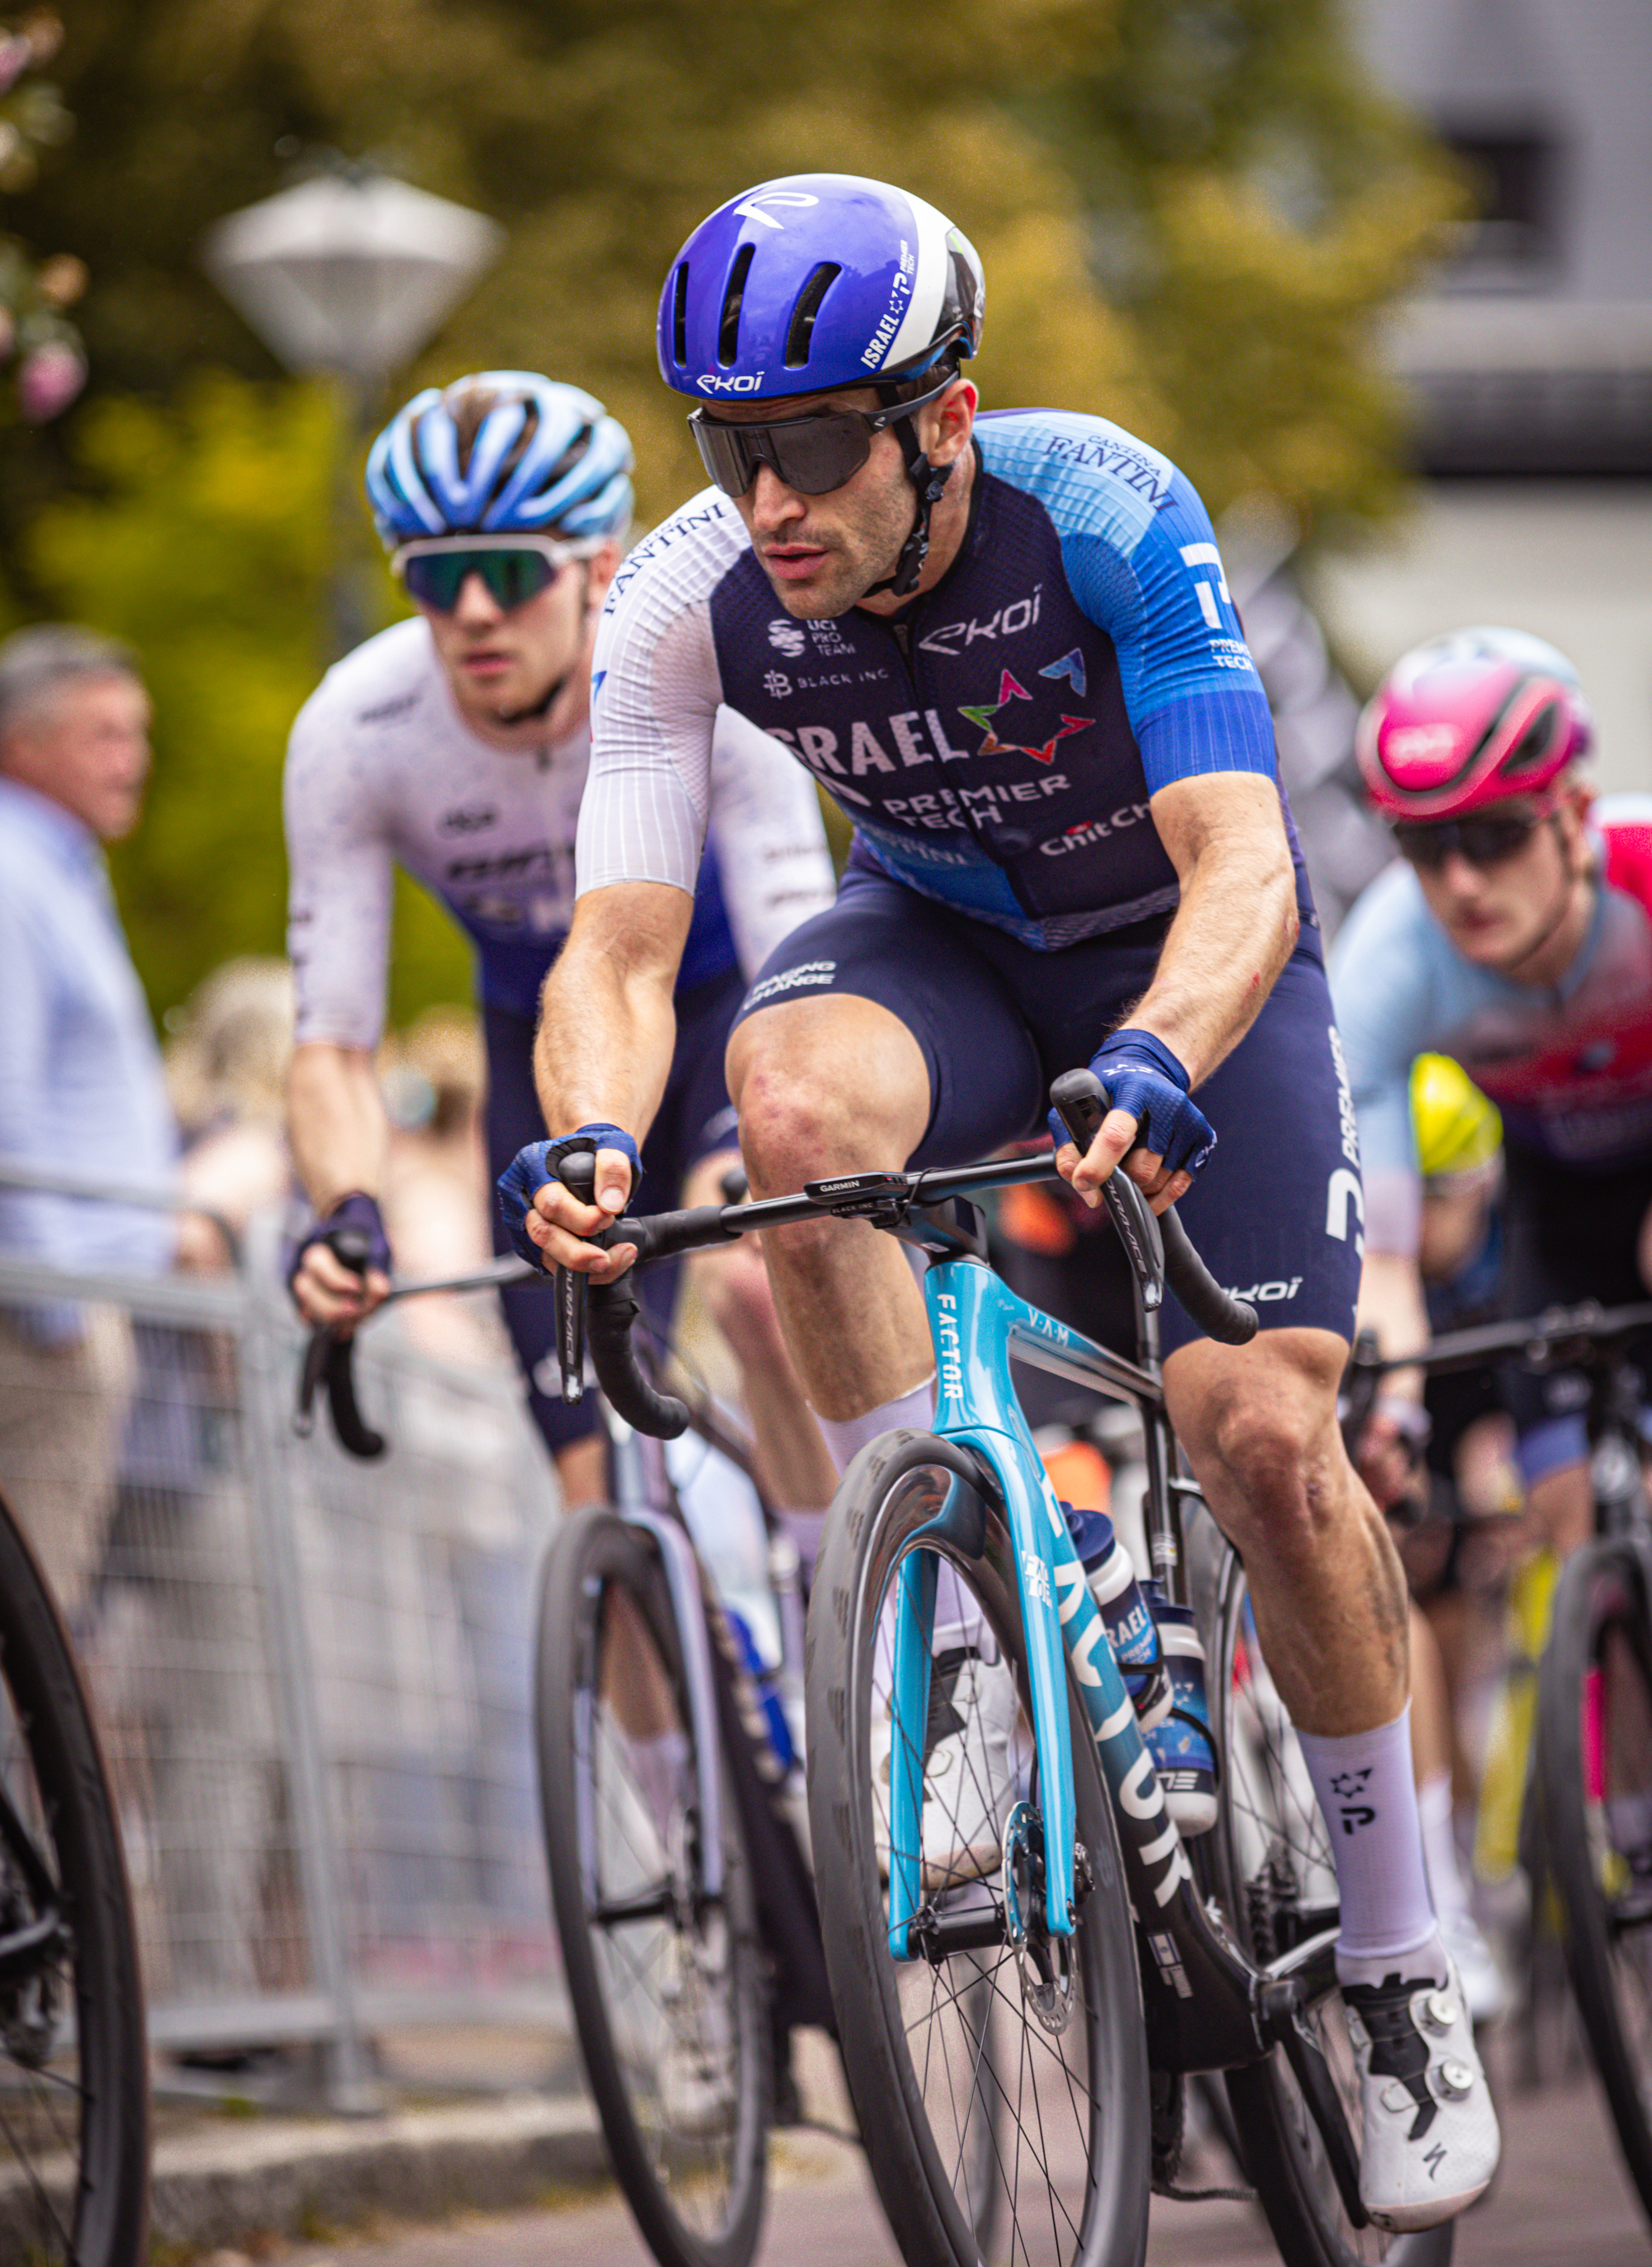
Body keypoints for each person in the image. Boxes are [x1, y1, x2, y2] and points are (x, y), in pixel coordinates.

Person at [501, 173, 1500, 2229]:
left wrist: (1159, 1045)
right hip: (942, 943)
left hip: (1183, 952)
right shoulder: (691, 592)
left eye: (803, 443)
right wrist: (594, 1136)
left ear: (934, 421)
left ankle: (1398, 1960)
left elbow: (1240, 856)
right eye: (723, 442)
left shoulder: (1105, 508)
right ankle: (954, 1649)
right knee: (777, 1099)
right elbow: (612, 951)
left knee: (1259, 1442)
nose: (762, 495)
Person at [283, 373, 838, 1526]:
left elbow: (801, 931)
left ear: (597, 567)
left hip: (729, 1004)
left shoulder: (703, 673)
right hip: (543, 1042)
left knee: (754, 1282)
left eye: (515, 570)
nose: (476, 610)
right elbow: (332, 1039)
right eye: (436, 578)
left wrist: (777, 1149)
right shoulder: (357, 728)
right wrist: (345, 1211)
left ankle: (836, 1584)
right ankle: (649, 1689)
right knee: (587, 1477)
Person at [1332, 629, 1652, 1569]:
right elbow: (1384, 1257)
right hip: (1552, 1207)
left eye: (1497, 834)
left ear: (1574, 814)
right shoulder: (1385, 963)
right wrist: (1387, 1409)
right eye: (1423, 845)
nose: (1461, 881)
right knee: (1562, 1516)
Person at [0, 624, 176, 1615]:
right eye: (103, 735)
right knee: (30, 1632)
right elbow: (6, 1105)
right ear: (24, 746)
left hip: (64, 1315)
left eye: (136, 733)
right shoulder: (13, 876)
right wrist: (64, 1313)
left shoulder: (60, 871)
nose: (132, 759)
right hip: (37, 1328)